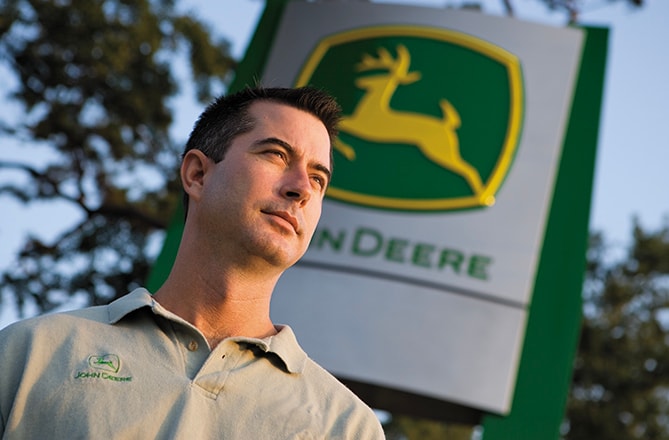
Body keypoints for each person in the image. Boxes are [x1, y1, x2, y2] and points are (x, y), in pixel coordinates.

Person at [0, 86, 385, 439]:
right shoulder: (28, 353)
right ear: (197, 174)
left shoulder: (348, 427)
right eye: (276, 154)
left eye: (318, 179)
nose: (300, 188)